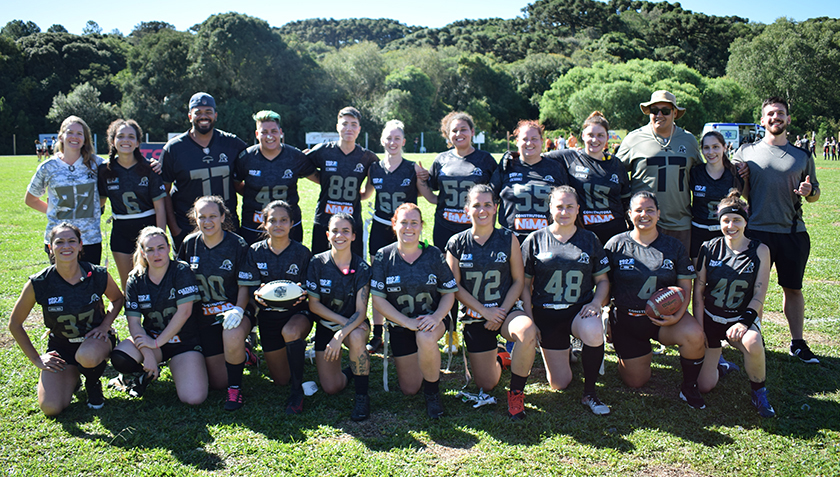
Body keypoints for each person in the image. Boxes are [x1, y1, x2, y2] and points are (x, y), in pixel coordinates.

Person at [732, 96, 821, 364]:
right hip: (757, 232)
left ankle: (798, 342)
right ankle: (753, 339)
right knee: (752, 290)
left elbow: (814, 194)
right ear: (762, 120)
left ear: (788, 119)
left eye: (780, 113)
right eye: (770, 114)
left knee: (792, 288)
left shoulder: (802, 155)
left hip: (792, 233)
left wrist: (810, 191)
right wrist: (744, 180)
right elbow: (740, 195)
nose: (775, 118)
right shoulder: (746, 152)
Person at [604, 191, 706, 409]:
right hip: (628, 320)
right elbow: (604, 285)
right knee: (636, 382)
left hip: (664, 319)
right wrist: (604, 315)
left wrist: (678, 314)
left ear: (659, 214)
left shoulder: (673, 246)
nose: (644, 215)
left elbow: (685, 286)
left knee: (695, 335)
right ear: (629, 214)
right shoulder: (615, 245)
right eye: (638, 210)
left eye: (650, 210)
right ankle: (636, 352)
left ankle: (689, 387)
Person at [8, 223, 123, 415]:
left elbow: (118, 299)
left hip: (95, 342)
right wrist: (36, 359)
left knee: (87, 356)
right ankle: (75, 375)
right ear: (50, 247)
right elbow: (15, 324)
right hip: (62, 348)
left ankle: (93, 383)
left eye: (71, 241)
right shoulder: (40, 282)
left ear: (80, 245)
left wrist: (105, 326)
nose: (66, 246)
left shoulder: (96, 274)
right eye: (59, 242)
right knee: (51, 407)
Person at [445, 185, 537, 420]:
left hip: (506, 310)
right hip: (476, 315)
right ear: (467, 210)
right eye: (476, 205)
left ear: (496, 208)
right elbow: (454, 287)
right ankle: (500, 357)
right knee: (486, 384)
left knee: (527, 332)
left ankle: (516, 392)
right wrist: (485, 311)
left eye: (488, 205)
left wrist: (501, 311)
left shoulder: (508, 238)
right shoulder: (456, 243)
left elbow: (518, 281)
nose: (482, 210)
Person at [520, 186, 612, 415]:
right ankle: (568, 352)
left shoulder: (590, 239)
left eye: (570, 206)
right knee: (560, 383)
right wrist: (531, 320)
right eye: (559, 206)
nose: (564, 211)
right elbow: (523, 284)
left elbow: (603, 281)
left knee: (592, 330)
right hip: (546, 314)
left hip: (578, 310)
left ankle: (590, 392)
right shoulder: (535, 239)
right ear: (550, 209)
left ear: (578, 209)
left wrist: (596, 303)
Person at [371, 203, 458, 419]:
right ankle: (425, 359)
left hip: (432, 320)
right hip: (401, 325)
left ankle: (432, 392)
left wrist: (437, 317)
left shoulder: (433, 254)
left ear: (421, 226)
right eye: (403, 222)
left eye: (414, 223)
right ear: (394, 224)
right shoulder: (383, 256)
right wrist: (406, 322)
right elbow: (378, 300)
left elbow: (449, 293)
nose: (409, 228)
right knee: (409, 389)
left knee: (426, 336)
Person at [694, 193, 775, 417]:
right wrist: (700, 327)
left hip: (739, 319)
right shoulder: (708, 247)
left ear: (746, 221)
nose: (731, 225)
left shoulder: (760, 250)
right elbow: (698, 292)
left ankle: (758, 391)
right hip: (711, 318)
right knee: (704, 386)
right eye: (726, 220)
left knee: (753, 341)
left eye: (736, 220)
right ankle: (721, 364)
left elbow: (760, 292)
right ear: (719, 222)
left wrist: (744, 322)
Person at [176, 196, 259, 410]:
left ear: (223, 217)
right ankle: (245, 351)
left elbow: (244, 285)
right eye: (202, 217)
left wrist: (239, 310)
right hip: (203, 317)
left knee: (231, 334)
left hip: (233, 312)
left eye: (213, 216)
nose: (207, 221)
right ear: (195, 218)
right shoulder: (189, 244)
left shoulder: (237, 244)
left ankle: (236, 390)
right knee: (217, 382)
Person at [109, 226, 207, 404]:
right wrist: (148, 354)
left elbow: (184, 312)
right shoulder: (135, 278)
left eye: (161, 247)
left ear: (169, 247)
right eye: (150, 249)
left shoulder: (181, 271)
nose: (156, 254)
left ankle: (180, 367)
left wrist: (156, 342)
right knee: (121, 356)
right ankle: (137, 376)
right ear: (143, 252)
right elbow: (134, 323)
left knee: (194, 397)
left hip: (183, 343)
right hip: (153, 342)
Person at [366, 120, 435, 353]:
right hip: (380, 227)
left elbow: (429, 196)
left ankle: (411, 322)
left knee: (407, 275)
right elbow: (365, 194)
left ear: (403, 141)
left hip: (405, 230)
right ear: (382, 140)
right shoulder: (374, 167)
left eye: (397, 138)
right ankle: (377, 332)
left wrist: (425, 178)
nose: (392, 142)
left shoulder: (411, 167)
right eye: (389, 138)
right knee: (377, 280)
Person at [247, 200, 313, 414]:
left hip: (297, 315)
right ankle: (294, 356)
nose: (278, 225)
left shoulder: (302, 253)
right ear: (263, 224)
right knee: (280, 379)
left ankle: (297, 393)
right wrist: (256, 294)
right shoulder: (255, 252)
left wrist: (303, 292)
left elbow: (310, 288)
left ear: (292, 223)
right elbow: (249, 288)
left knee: (291, 332)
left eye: (284, 220)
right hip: (268, 318)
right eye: (272, 220)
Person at [616, 90, 703, 252]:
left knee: (680, 274)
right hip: (644, 221)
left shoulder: (689, 140)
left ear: (675, 113)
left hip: (679, 222)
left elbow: (702, 174)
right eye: (654, 111)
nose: (659, 115)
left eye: (666, 111)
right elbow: (614, 174)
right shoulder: (634, 139)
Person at [305, 213, 371, 420]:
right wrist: (339, 329)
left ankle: (362, 396)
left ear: (353, 236)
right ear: (327, 234)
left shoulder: (361, 268)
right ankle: (351, 371)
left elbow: (361, 312)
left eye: (345, 231)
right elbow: (314, 305)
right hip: (330, 325)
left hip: (355, 325)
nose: (339, 235)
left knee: (358, 337)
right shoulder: (317, 262)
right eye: (335, 230)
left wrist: (342, 334)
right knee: (331, 388)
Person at [160, 92, 247, 250]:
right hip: (188, 228)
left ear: (215, 115)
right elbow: (163, 192)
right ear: (189, 116)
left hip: (227, 227)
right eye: (198, 112)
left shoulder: (232, 143)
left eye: (208, 112)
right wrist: (175, 229)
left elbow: (254, 166)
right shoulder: (174, 149)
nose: (203, 116)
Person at [26, 116, 105, 265]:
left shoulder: (97, 164)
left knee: (90, 285)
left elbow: (105, 193)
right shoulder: (48, 167)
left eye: (79, 133)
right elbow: (30, 199)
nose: (74, 137)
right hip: (59, 240)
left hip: (90, 239)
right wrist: (53, 211)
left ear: (85, 138)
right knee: (62, 286)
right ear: (61, 136)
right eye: (70, 132)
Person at [99, 119, 167, 289]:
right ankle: (133, 316)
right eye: (120, 136)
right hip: (120, 231)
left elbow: (160, 208)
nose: (126, 140)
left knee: (152, 281)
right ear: (113, 140)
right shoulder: (104, 170)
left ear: (138, 142)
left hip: (147, 229)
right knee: (128, 284)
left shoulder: (150, 168)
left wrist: (161, 237)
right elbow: (99, 204)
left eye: (131, 136)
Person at [233, 110, 317, 245]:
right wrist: (252, 194)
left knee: (291, 262)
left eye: (273, 131)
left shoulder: (295, 156)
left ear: (281, 132)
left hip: (289, 224)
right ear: (257, 134)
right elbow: (236, 184)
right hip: (254, 223)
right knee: (253, 263)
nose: (269, 136)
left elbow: (319, 178)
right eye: (264, 132)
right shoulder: (246, 157)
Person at [418, 111, 498, 250]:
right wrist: (420, 177)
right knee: (446, 268)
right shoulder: (441, 160)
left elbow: (495, 195)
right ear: (448, 135)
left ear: (472, 132)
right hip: (445, 225)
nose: (459, 134)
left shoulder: (486, 160)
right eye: (454, 131)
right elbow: (431, 189)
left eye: (463, 129)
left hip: (475, 226)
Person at [306, 107, 378, 257]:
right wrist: (322, 180)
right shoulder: (323, 150)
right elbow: (302, 166)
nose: (349, 128)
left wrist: (365, 193)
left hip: (352, 221)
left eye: (353, 124)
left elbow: (371, 185)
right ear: (337, 126)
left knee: (353, 265)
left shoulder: (367, 157)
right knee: (320, 263)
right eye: (344, 124)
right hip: (324, 218)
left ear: (359, 129)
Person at [553, 111, 631, 245]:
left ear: (607, 137)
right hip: (583, 235)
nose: (595, 140)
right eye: (590, 135)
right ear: (583, 136)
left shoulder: (616, 163)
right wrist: (514, 154)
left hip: (615, 235)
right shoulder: (569, 157)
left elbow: (626, 201)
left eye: (600, 135)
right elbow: (536, 155)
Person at [491, 120, 568, 242]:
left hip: (548, 240)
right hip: (510, 240)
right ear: (517, 142)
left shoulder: (555, 168)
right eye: (525, 139)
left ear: (542, 141)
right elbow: (491, 199)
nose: (529, 143)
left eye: (534, 139)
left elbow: (568, 201)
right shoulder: (507, 166)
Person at [689, 131, 744, 260]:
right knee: (699, 276)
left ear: (725, 147)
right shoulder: (695, 173)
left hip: (726, 232)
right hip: (699, 231)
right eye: (706, 148)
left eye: (715, 147)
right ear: (701, 150)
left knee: (723, 276)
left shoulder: (736, 173)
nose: (711, 152)